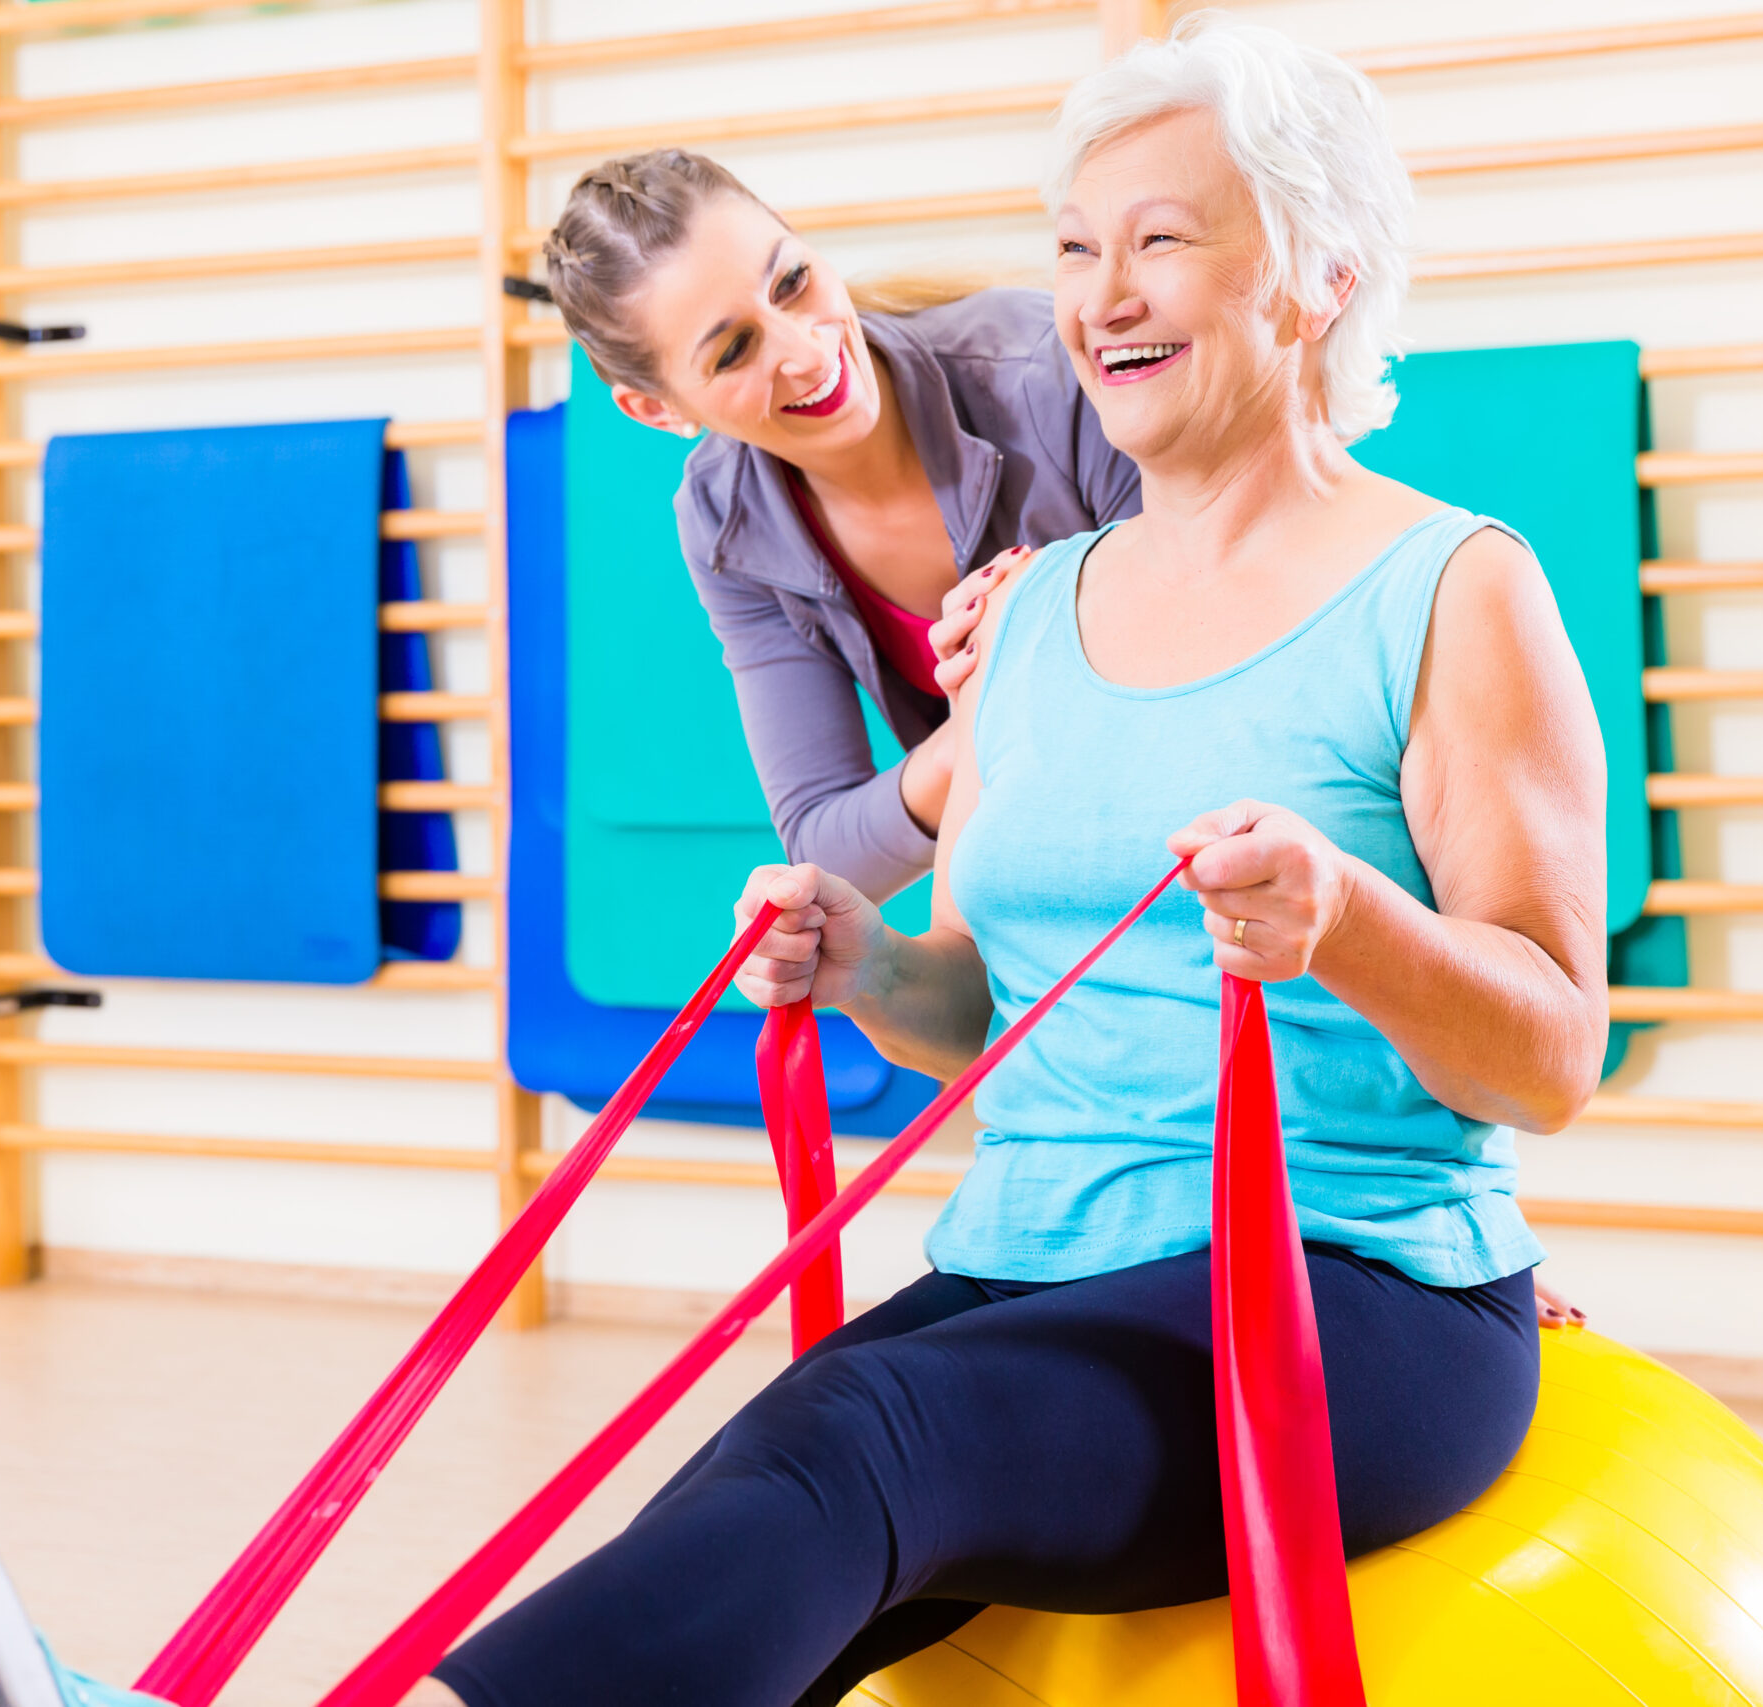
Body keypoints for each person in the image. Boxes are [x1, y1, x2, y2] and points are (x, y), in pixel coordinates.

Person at [411, 15, 1606, 1706]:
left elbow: (1554, 1056)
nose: (1103, 290)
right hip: (1037, 1254)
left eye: (1163, 241)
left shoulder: (1455, 589)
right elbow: (979, 1010)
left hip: (1351, 1284)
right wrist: (861, 957)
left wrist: (1345, 921)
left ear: (1316, 277)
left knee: (864, 1435)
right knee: (756, 1487)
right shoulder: (1026, 615)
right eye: (1074, 249)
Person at [538, 152, 1142, 902]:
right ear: (658, 411)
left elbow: (1204, 671)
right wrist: (984, 720)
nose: (805, 349)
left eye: (791, 282)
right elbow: (824, 843)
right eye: (734, 350)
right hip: (1046, 888)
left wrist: (1006, 690)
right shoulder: (725, 523)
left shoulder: (1047, 376)